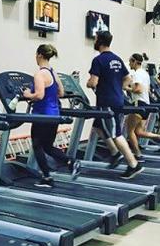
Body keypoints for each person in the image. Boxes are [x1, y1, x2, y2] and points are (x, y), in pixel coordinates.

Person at [86, 31, 144, 179]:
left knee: (116, 133)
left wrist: (89, 84)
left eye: (96, 39)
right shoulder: (117, 59)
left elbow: (93, 82)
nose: (94, 41)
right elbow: (127, 79)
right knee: (98, 127)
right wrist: (119, 88)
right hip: (117, 100)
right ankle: (115, 153)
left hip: (107, 102)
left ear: (99, 41)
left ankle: (134, 164)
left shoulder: (98, 60)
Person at [23, 44, 81, 188]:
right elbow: (61, 93)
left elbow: (39, 94)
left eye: (36, 55)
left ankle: (47, 177)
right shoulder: (54, 73)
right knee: (48, 146)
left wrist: (27, 94)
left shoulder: (40, 74)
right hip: (54, 115)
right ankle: (70, 161)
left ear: (40, 55)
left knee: (37, 145)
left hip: (42, 116)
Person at [125, 53, 160, 161]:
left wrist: (125, 87)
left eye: (130, 61)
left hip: (139, 104)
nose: (130, 64)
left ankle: (138, 155)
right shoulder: (145, 74)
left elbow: (138, 89)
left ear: (135, 61)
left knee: (129, 131)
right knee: (139, 132)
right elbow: (147, 90)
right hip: (145, 104)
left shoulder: (138, 74)